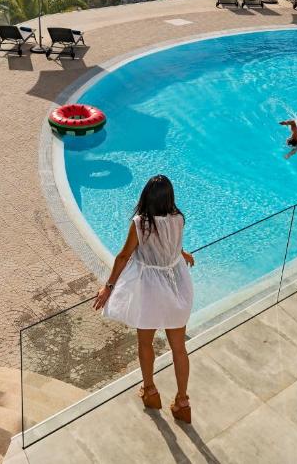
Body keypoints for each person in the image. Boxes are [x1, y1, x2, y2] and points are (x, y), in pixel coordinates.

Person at [93, 174, 195, 423]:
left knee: (145, 343)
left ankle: (150, 391)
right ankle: (183, 403)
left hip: (150, 290)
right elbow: (169, 239)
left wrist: (108, 287)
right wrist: (181, 252)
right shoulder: (179, 218)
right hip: (176, 285)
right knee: (179, 349)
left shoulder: (141, 224)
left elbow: (123, 256)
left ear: (146, 197)